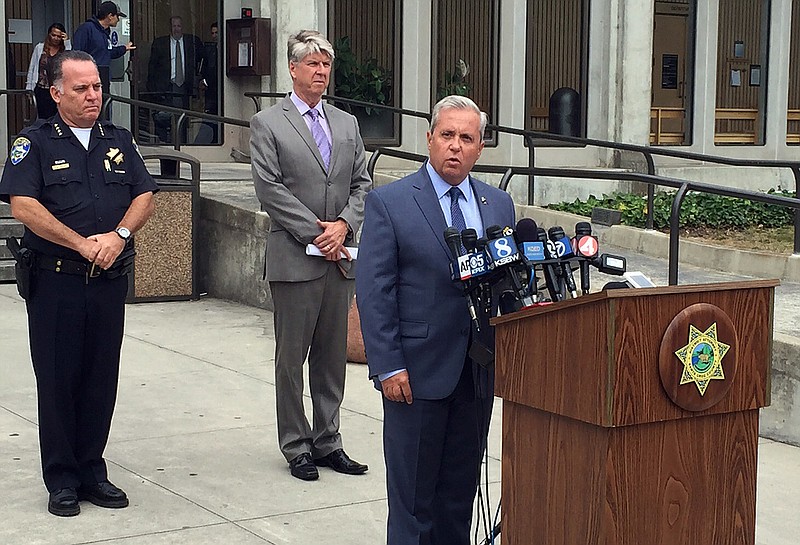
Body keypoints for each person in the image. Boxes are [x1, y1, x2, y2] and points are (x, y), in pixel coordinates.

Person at [0, 50, 158, 517]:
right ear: (56, 92)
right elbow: (23, 205)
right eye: (82, 88)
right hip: (56, 283)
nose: (94, 96)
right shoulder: (35, 143)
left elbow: (144, 193)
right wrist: (80, 243)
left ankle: (93, 470)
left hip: (108, 281)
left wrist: (119, 235)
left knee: (99, 379)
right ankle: (62, 477)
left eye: (97, 86)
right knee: (57, 379)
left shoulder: (118, 138)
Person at [356, 95, 516, 544]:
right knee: (413, 505)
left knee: (457, 500)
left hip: (476, 374)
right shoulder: (391, 203)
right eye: (447, 135)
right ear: (429, 139)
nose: (455, 146)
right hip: (415, 375)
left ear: (480, 148)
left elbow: (507, 289)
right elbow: (374, 293)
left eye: (467, 138)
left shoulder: (498, 203)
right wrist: (388, 365)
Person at [250, 30, 371, 481]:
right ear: (293, 69)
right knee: (291, 359)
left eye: (326, 65)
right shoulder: (268, 123)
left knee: (331, 357)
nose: (321, 72)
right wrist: (316, 233)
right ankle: (296, 444)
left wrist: (343, 226)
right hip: (294, 258)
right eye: (313, 64)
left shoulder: (346, 123)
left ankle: (328, 440)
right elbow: (269, 189)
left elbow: (362, 183)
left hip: (339, 258)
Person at [147, 15, 206, 142]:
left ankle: (182, 144)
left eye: (179, 26)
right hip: (165, 87)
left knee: (183, 119)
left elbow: (203, 60)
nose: (176, 29)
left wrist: (201, 79)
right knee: (163, 118)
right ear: (170, 27)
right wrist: (152, 89)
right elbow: (152, 68)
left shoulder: (192, 42)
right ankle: (164, 145)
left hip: (184, 87)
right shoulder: (160, 43)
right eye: (174, 26)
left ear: (182, 27)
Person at [71, 1, 135, 95]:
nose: (118, 20)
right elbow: (76, 54)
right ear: (110, 16)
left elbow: (108, 52)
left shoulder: (105, 32)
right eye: (117, 16)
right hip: (89, 76)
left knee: (104, 105)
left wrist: (124, 48)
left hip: (104, 75)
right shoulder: (87, 28)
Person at [26, 23, 71, 119]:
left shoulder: (64, 50)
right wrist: (29, 88)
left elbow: (70, 61)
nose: (55, 38)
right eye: (53, 35)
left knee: (58, 118)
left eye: (59, 36)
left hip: (58, 90)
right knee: (42, 119)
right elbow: (32, 68)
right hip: (42, 89)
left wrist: (67, 42)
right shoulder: (40, 48)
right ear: (49, 34)